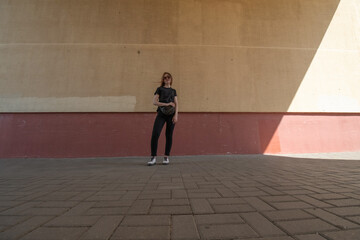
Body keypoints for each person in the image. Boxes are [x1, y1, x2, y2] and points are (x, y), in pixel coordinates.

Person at [148, 72, 178, 166]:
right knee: (155, 134)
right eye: (165, 78)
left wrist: (176, 115)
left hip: (171, 115)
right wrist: (166, 104)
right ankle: (153, 157)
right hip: (161, 114)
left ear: (171, 79)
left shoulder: (173, 91)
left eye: (168, 77)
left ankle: (166, 156)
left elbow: (176, 104)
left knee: (169, 135)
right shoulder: (159, 89)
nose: (167, 79)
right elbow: (154, 102)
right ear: (163, 79)